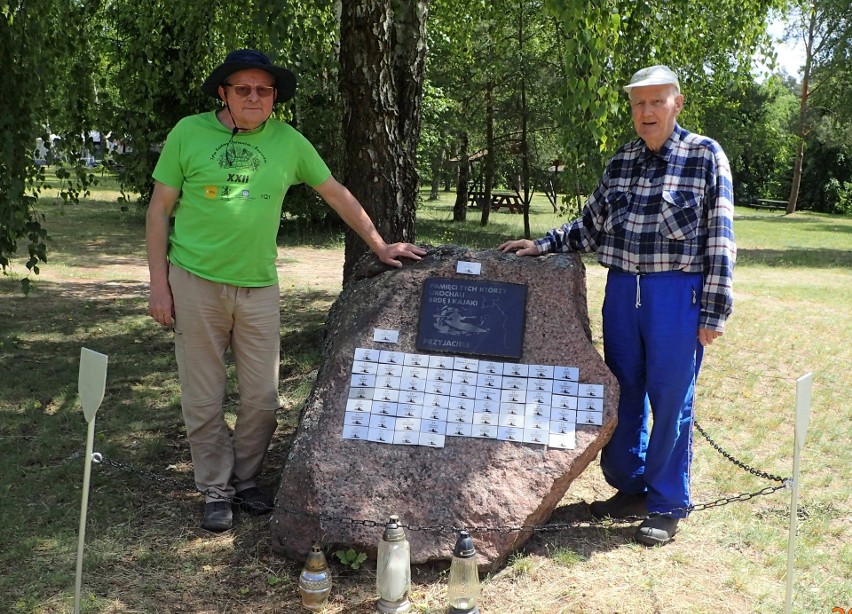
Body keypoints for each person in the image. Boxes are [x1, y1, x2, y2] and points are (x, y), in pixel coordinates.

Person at [146, 49, 426, 532]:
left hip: (259, 287)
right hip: (194, 282)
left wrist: (379, 244)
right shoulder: (188, 134)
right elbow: (158, 211)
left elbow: (335, 192)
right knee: (203, 397)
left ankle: (245, 480)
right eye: (243, 89)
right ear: (223, 93)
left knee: (262, 398)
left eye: (264, 90)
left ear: (274, 97)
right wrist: (159, 286)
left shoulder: (289, 141)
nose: (254, 97)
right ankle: (216, 489)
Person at [499, 65, 735, 546]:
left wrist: (713, 312)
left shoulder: (705, 155)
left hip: (677, 294)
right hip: (623, 291)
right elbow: (590, 225)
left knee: (670, 398)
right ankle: (630, 487)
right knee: (622, 392)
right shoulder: (623, 160)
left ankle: (667, 502)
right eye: (638, 104)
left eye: (655, 102)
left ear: (677, 103)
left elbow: (721, 240)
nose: (646, 113)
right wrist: (544, 245)